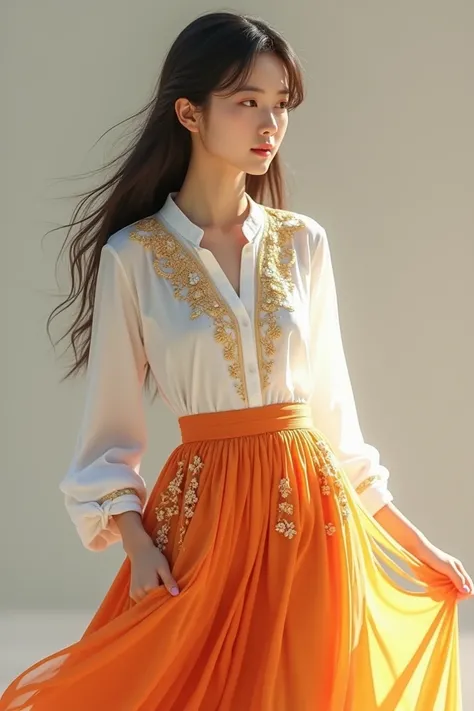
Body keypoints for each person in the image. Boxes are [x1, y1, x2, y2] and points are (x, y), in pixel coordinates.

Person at [1, 10, 472, 711]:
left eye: (280, 104)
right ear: (189, 112)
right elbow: (108, 436)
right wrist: (137, 547)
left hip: (313, 522)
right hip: (204, 526)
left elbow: (337, 424)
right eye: (247, 101)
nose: (269, 123)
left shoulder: (304, 243)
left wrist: (417, 544)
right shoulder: (133, 258)